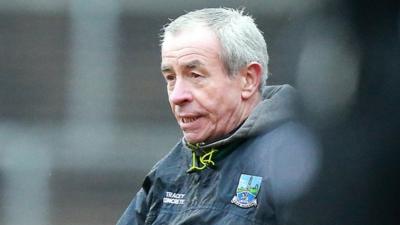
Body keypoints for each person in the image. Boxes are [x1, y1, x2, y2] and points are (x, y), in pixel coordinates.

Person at [117, 8, 320, 225]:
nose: (177, 96)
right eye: (170, 77)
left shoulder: (300, 162)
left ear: (248, 80)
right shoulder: (167, 172)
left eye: (195, 75)